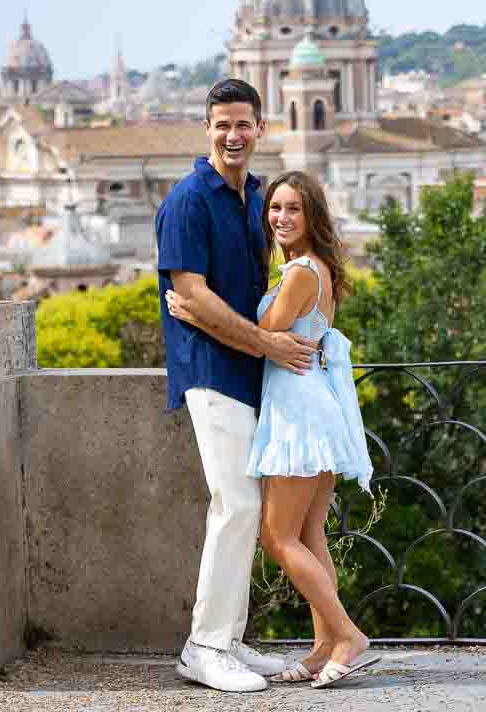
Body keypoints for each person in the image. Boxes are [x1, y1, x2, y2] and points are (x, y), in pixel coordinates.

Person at [166, 170, 379, 689]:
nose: (280, 217)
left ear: (313, 217)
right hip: (314, 408)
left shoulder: (302, 273)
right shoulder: (315, 268)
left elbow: (261, 336)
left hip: (298, 414)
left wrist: (196, 316)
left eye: (293, 209)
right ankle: (323, 647)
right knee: (309, 535)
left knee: (277, 535)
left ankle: (348, 635)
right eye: (275, 208)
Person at [156, 79, 317, 694]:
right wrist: (266, 343)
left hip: (248, 371)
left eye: (243, 124)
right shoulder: (188, 200)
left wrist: (265, 341)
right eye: (222, 124)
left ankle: (227, 639)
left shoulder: (257, 197)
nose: (233, 135)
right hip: (210, 371)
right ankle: (203, 647)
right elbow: (191, 295)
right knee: (237, 505)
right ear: (207, 129)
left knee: (247, 509)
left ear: (260, 129)